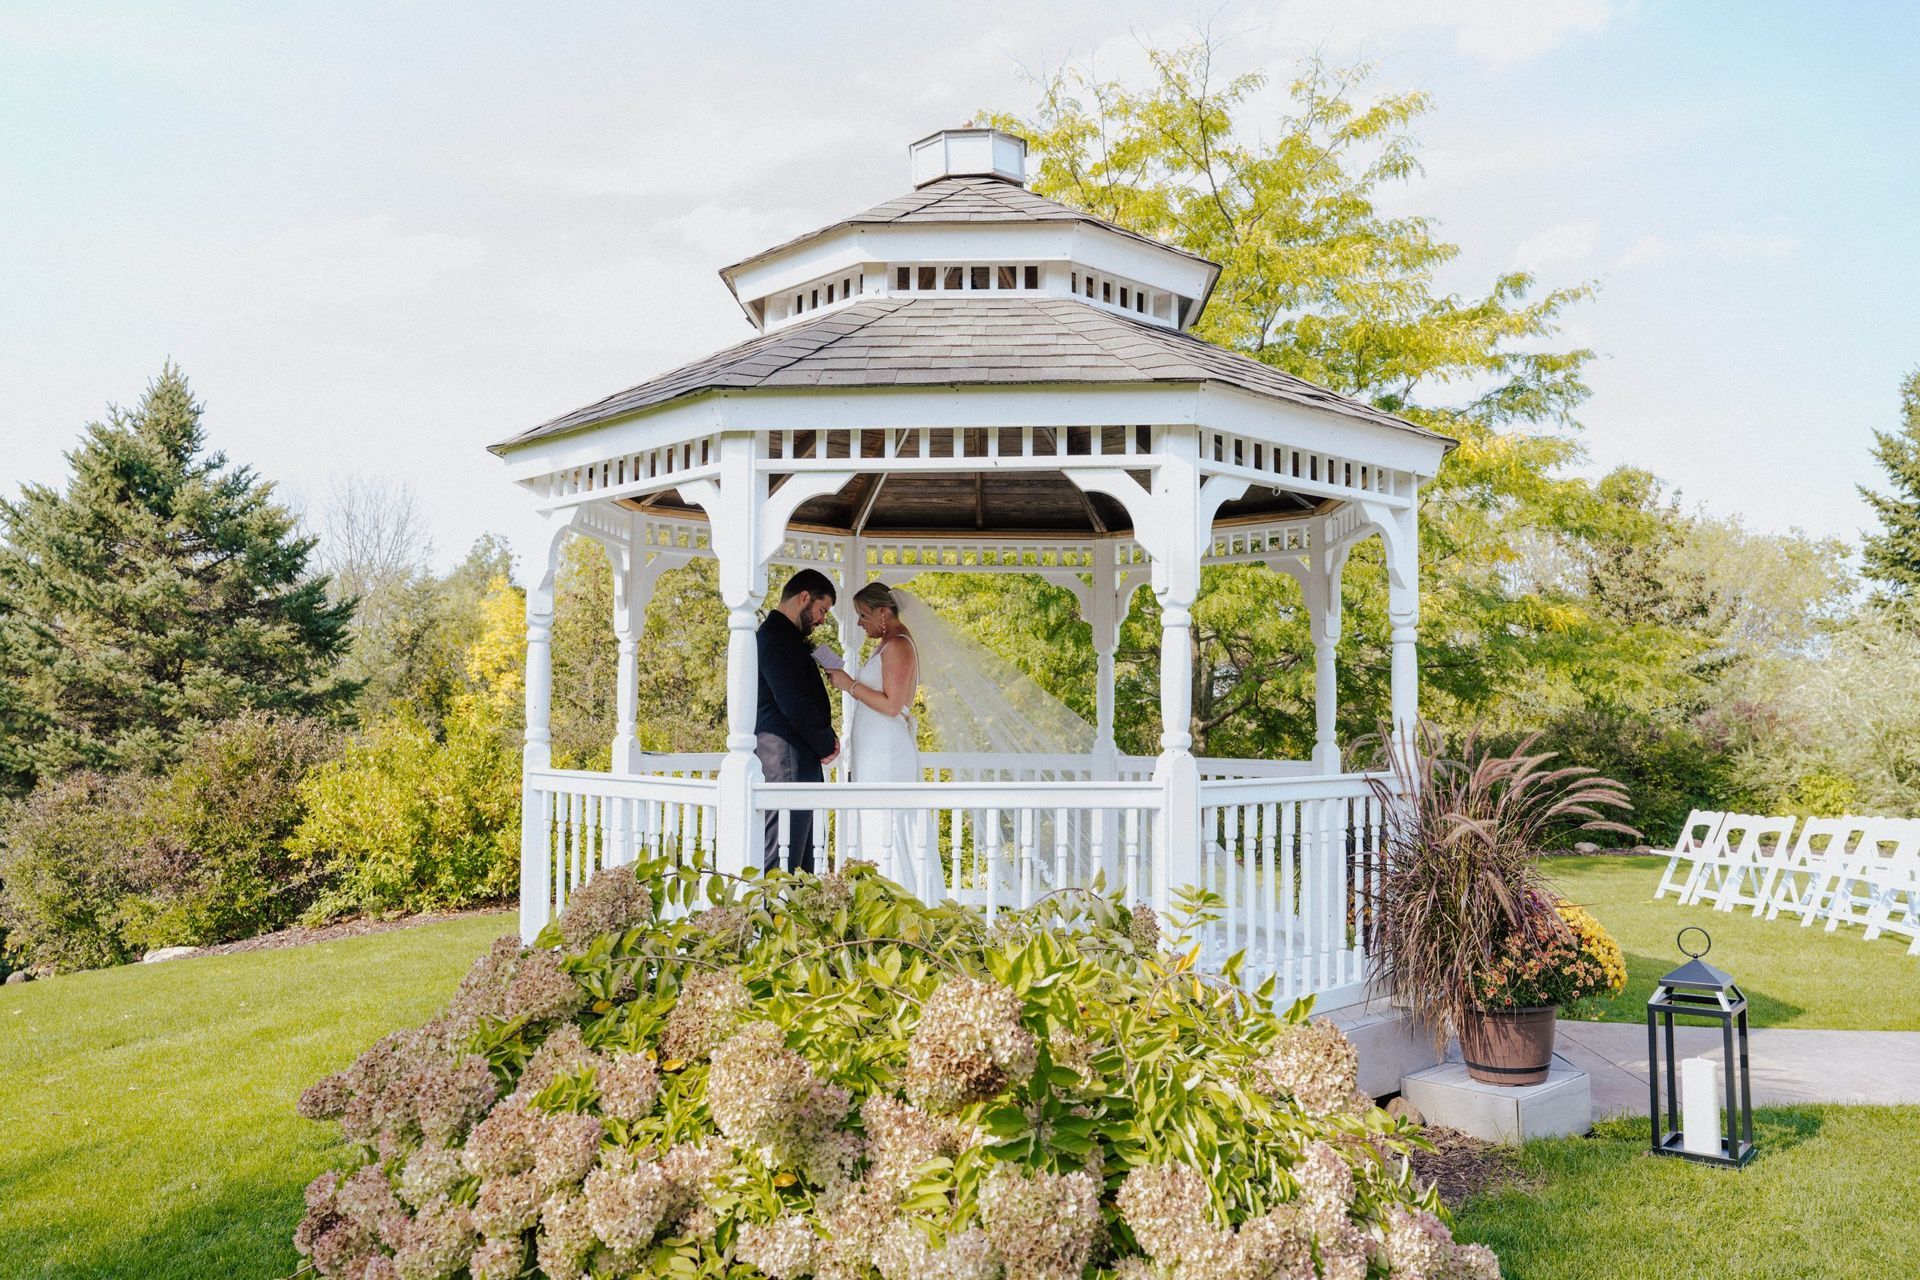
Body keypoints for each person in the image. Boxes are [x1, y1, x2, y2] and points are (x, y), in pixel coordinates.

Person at [828, 581, 936, 895]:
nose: (860, 623)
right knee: (873, 822)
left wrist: (849, 684)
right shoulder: (885, 643)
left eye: (863, 615)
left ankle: (898, 898)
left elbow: (891, 705)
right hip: (874, 754)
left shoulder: (900, 645)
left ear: (883, 612)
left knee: (887, 823)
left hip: (888, 755)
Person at [755, 569, 839, 872]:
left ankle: (793, 918)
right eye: (821, 610)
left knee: (800, 856)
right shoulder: (777, 638)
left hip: (795, 758)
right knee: (782, 856)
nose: (822, 619)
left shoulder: (786, 636)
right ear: (804, 597)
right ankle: (769, 918)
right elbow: (794, 702)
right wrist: (826, 742)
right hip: (785, 759)